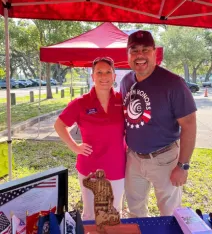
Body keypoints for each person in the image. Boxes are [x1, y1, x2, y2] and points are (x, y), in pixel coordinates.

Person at [120, 30, 197, 217]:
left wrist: (183, 166)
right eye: (134, 50)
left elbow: (189, 125)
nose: (139, 55)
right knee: (135, 210)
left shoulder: (173, 83)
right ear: (128, 55)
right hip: (134, 158)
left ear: (155, 52)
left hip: (165, 159)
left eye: (145, 50)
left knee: (169, 214)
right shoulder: (125, 81)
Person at [54, 57, 126, 220]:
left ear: (114, 76)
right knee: (91, 214)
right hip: (90, 167)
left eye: (108, 72)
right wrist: (75, 147)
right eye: (99, 72)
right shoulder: (81, 103)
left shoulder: (122, 101)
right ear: (92, 76)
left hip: (117, 166)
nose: (104, 76)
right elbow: (59, 125)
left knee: (114, 212)